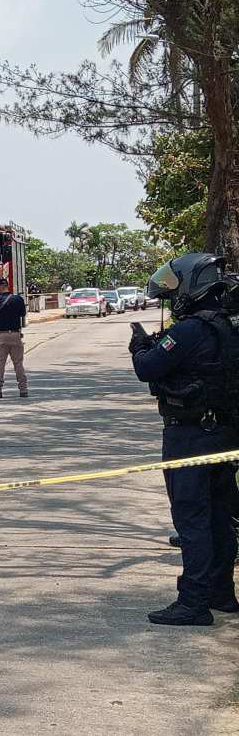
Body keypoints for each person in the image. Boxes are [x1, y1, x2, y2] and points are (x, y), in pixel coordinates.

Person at [130, 253, 239, 625]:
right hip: (224, 435)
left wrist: (140, 346)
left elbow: (147, 368)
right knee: (220, 516)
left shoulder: (189, 331)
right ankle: (222, 593)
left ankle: (193, 602)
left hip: (190, 437)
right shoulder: (229, 327)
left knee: (192, 520)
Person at [0, 278, 27, 398]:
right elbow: (23, 314)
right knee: (18, 363)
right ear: (7, 286)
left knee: (0, 364)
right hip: (16, 335)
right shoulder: (18, 299)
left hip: (2, 336)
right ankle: (23, 390)